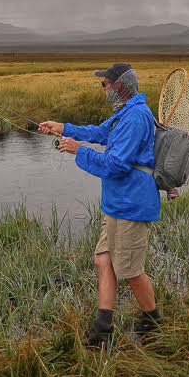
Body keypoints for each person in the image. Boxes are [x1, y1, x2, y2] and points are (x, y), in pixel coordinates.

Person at [38, 63, 163, 349]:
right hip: (117, 203)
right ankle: (102, 330)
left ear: (119, 87)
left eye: (104, 84)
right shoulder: (124, 114)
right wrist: (62, 127)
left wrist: (77, 150)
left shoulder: (135, 119)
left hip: (132, 204)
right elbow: (97, 132)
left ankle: (154, 323)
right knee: (103, 260)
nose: (103, 89)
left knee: (130, 271)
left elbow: (117, 165)